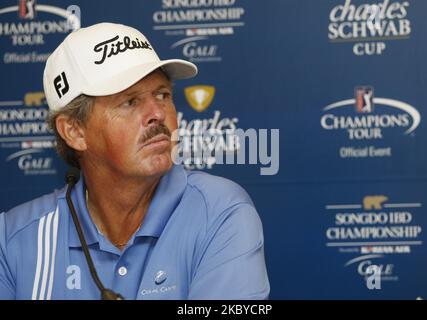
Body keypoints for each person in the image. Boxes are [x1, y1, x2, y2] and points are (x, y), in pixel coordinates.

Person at [0, 23, 270, 300]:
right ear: (75, 131)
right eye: (130, 102)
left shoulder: (219, 212)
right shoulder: (13, 240)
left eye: (163, 95)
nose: (157, 113)